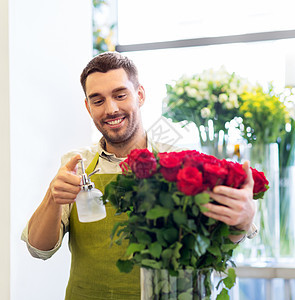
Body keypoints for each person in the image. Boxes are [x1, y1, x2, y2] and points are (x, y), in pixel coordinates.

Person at [21, 51, 257, 299]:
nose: (111, 109)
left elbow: (216, 244)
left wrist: (241, 222)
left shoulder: (182, 162)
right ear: (88, 107)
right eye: (97, 100)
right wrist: (53, 197)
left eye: (120, 95)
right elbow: (39, 249)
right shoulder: (76, 164)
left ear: (140, 95)